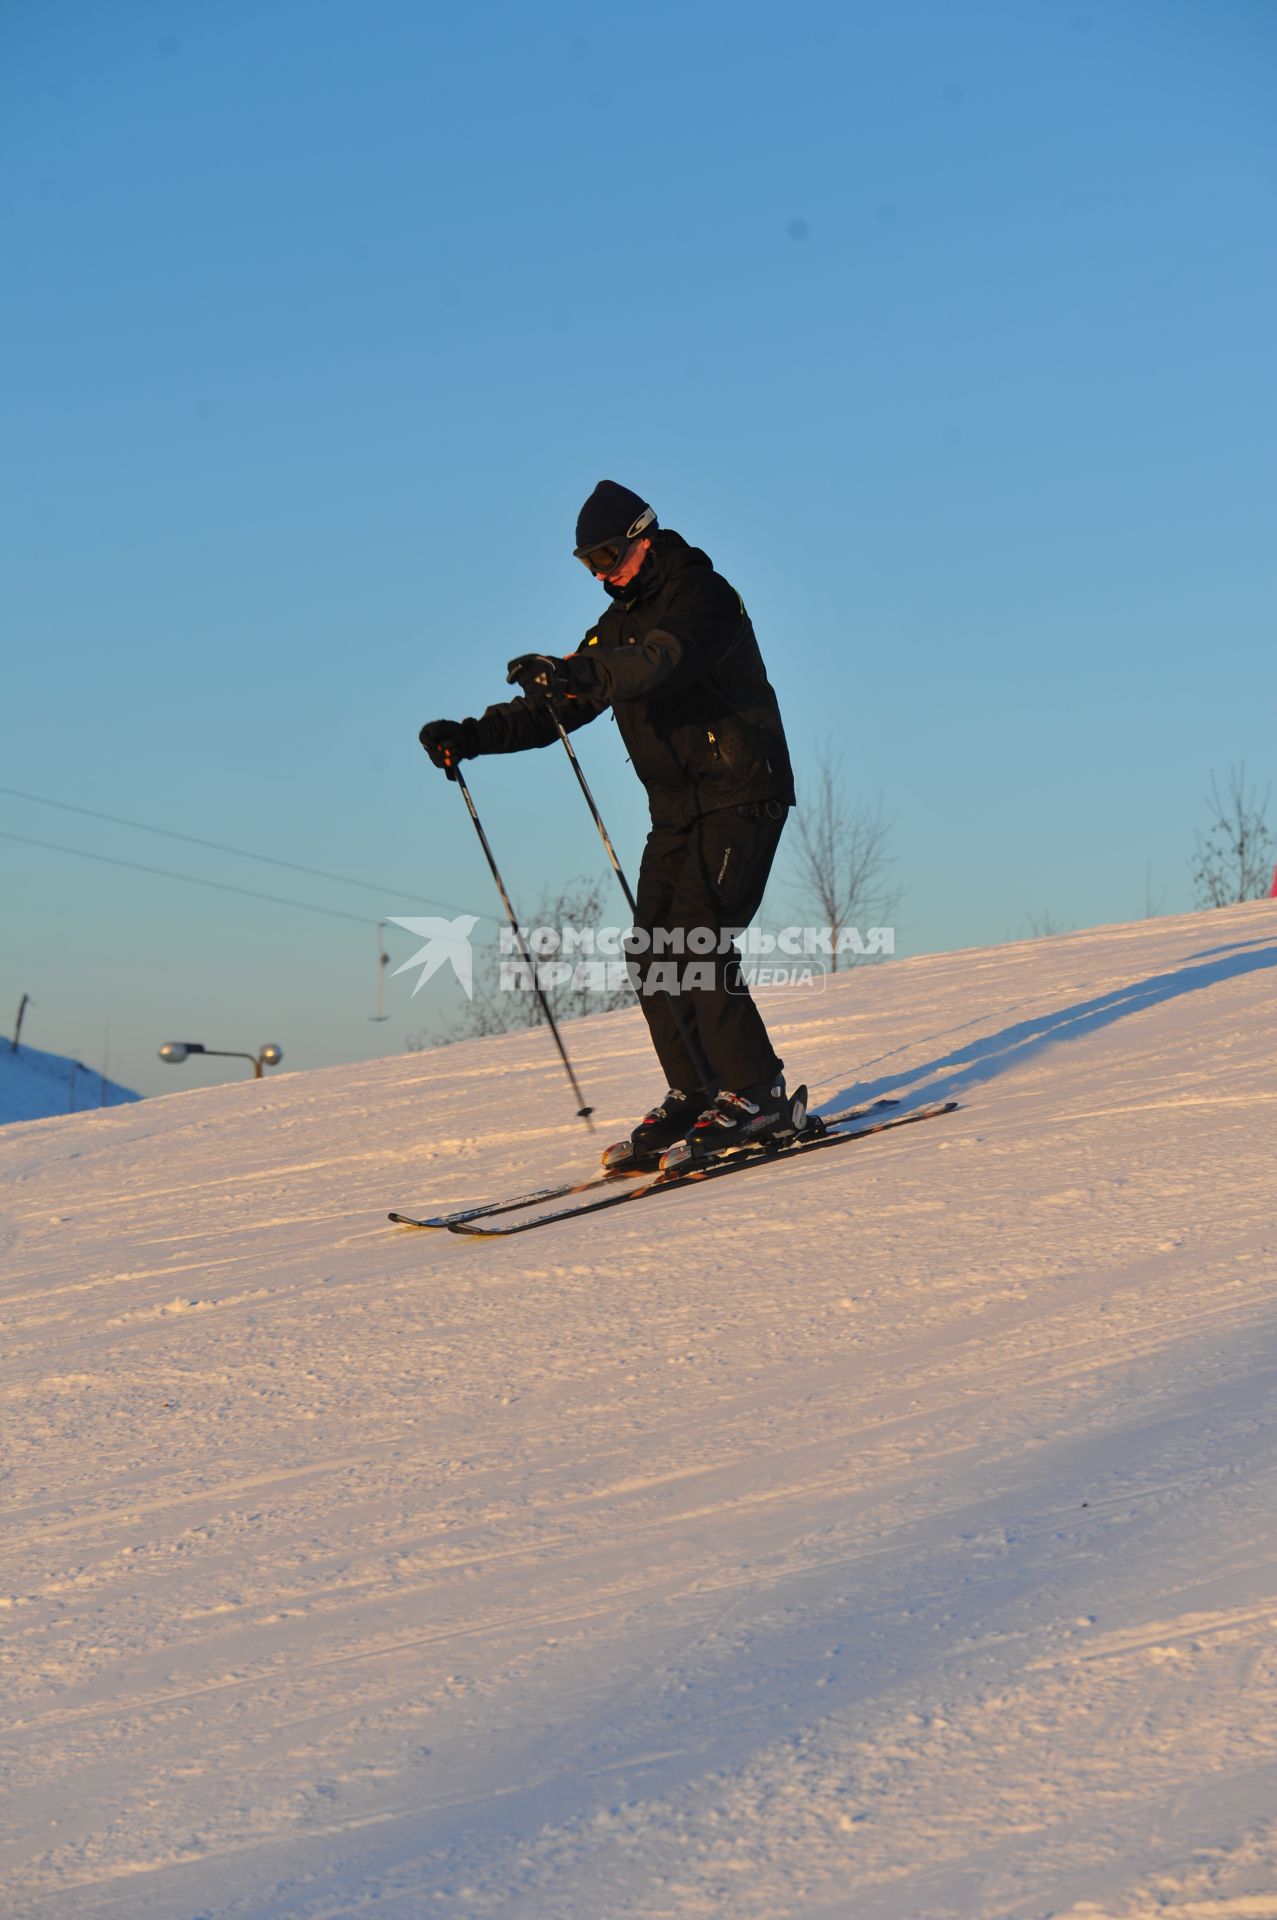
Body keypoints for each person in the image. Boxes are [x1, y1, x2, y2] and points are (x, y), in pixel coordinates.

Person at [419, 479, 799, 1169]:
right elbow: (565, 703)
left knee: (696, 938)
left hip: (741, 794)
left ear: (644, 538)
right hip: (678, 809)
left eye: (608, 555)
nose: (600, 572)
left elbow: (659, 662)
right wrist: (469, 736)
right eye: (586, 562)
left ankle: (756, 1091)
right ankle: (696, 1089)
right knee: (652, 950)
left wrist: (583, 672)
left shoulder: (702, 598)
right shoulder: (617, 623)